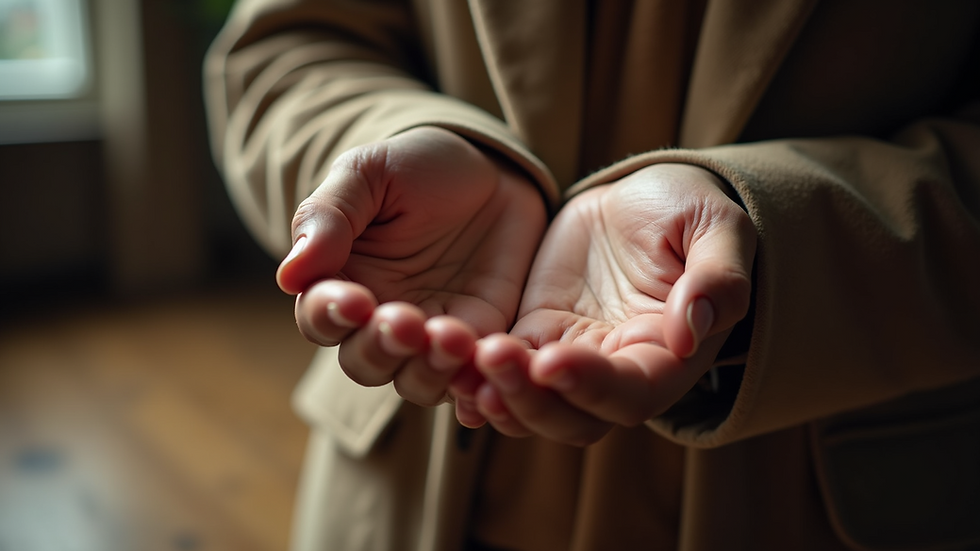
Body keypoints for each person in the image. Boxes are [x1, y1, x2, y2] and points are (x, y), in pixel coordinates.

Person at [204, 1, 980, 550]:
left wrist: (772, 235)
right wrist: (390, 142)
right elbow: (286, 45)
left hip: (827, 498)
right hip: (415, 488)